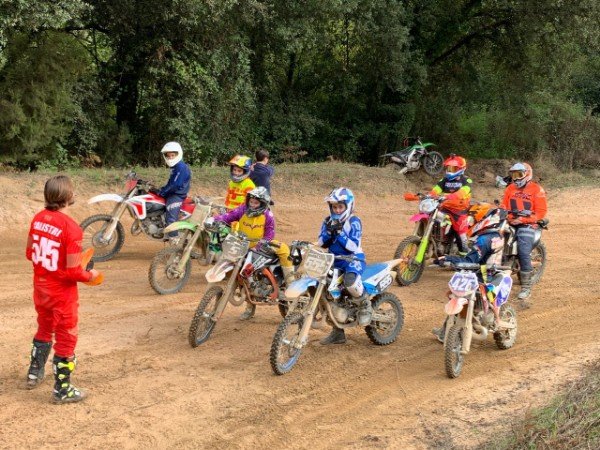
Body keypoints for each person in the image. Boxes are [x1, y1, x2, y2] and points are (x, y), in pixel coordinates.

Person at [25, 175, 101, 403]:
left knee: (44, 327)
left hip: (41, 287)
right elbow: (73, 272)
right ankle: (63, 390)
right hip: (62, 293)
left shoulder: (38, 219)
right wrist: (90, 275)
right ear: (69, 196)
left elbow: (30, 253)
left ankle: (34, 373)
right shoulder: (72, 228)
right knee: (67, 337)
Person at [207, 187, 294, 320]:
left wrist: (262, 243)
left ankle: (290, 282)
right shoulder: (242, 209)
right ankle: (250, 307)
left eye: (256, 203)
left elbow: (270, 232)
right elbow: (228, 217)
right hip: (241, 245)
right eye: (251, 201)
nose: (252, 205)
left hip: (260, 245)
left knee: (284, 249)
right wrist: (215, 219)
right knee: (244, 277)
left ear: (262, 204)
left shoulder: (267, 215)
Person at [431, 206, 505, 342]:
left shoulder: (484, 239)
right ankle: (494, 318)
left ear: (486, 221)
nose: (471, 222)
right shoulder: (496, 235)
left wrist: (448, 258)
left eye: (475, 219)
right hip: (488, 272)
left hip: (481, 275)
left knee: (457, 294)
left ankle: (447, 331)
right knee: (459, 294)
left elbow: (470, 261)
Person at [317, 187, 370, 345]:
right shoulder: (327, 221)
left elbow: (353, 246)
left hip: (353, 259)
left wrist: (340, 233)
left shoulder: (354, 221)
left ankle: (365, 305)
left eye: (340, 207)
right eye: (334, 207)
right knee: (328, 292)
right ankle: (338, 332)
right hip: (334, 260)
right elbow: (320, 243)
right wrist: (328, 233)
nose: (337, 210)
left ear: (348, 206)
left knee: (350, 282)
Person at [500, 162, 547, 304]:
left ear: (527, 174)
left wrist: (523, 219)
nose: (516, 178)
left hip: (528, 223)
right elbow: (504, 205)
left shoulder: (537, 189)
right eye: (513, 175)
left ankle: (526, 286)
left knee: (523, 249)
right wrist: (505, 215)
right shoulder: (510, 188)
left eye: (519, 174)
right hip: (510, 221)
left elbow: (541, 212)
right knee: (493, 240)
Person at [430, 154, 473, 253]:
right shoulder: (444, 180)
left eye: (453, 169)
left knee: (461, 232)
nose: (450, 171)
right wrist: (430, 195)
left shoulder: (466, 180)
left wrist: (451, 196)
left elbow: (464, 191)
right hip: (444, 207)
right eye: (449, 168)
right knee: (431, 215)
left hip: (459, 210)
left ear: (461, 169)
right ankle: (435, 239)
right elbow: (436, 189)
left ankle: (464, 253)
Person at [158, 142, 192, 243]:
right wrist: (161, 189)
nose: (170, 158)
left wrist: (163, 192)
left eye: (173, 155)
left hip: (177, 195)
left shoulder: (181, 167)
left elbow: (175, 185)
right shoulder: (176, 167)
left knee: (171, 218)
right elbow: (171, 183)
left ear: (178, 154)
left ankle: (174, 239)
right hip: (173, 192)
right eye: (168, 156)